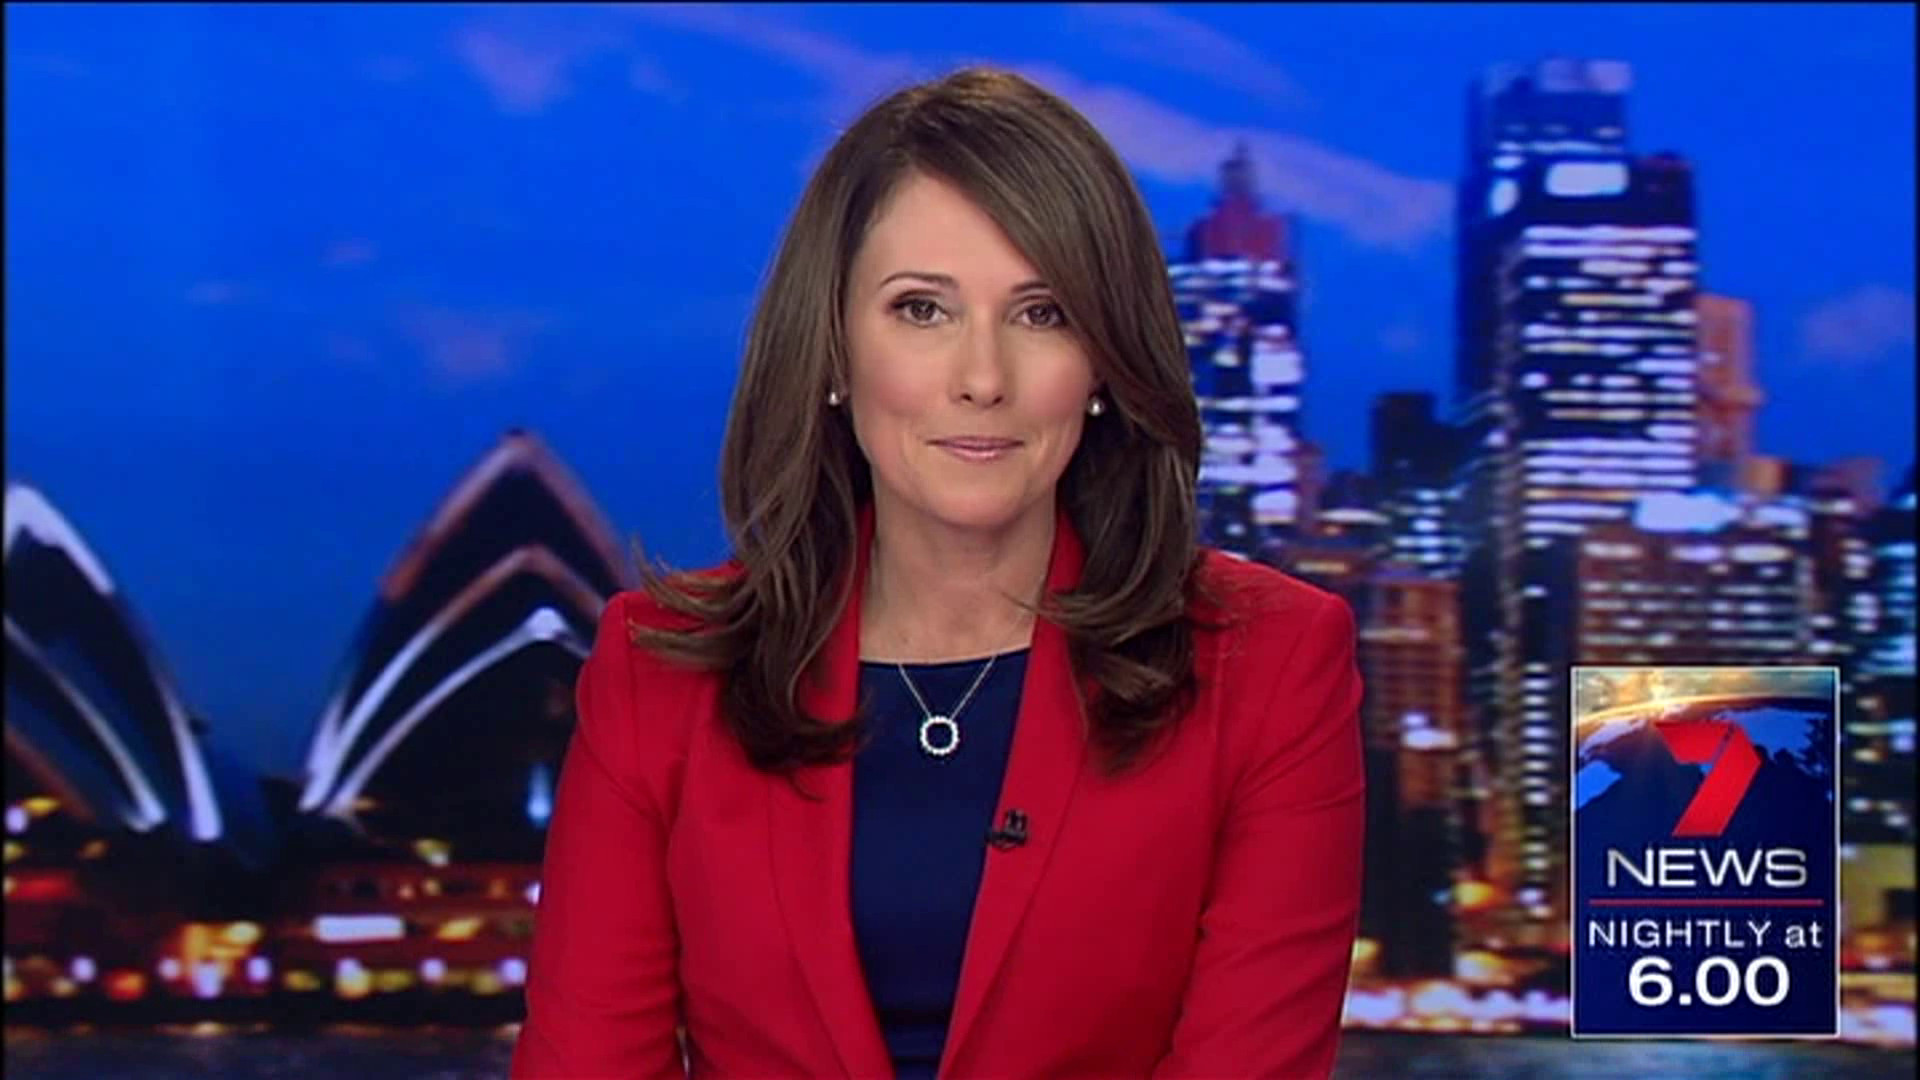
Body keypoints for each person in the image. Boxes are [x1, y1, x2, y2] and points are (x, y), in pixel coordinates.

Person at [512, 66, 1364, 1080]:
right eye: (922, 310)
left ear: (1103, 361)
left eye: (1042, 313)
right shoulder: (661, 672)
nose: (983, 378)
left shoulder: (1269, 663)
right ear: (835, 347)